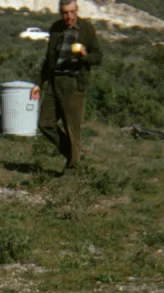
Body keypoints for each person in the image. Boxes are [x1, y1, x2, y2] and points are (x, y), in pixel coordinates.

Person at [38, 0, 103, 171]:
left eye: (72, 12)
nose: (69, 16)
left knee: (72, 127)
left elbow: (98, 56)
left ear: (77, 10)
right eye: (65, 13)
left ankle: (73, 168)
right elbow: (48, 58)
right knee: (45, 123)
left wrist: (85, 55)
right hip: (55, 81)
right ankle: (73, 153)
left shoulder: (86, 29)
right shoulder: (56, 28)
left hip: (74, 82)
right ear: (60, 12)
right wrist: (38, 83)